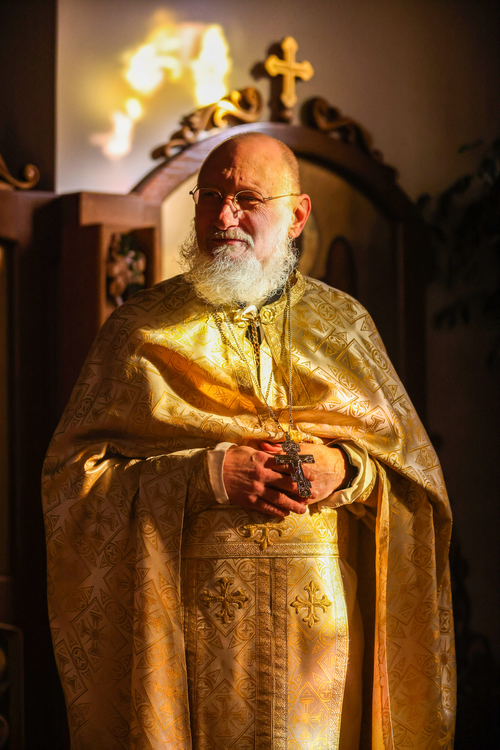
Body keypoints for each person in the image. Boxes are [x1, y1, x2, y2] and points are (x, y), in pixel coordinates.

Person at [42, 133, 456, 749]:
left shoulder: (345, 327)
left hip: (325, 651)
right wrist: (206, 475)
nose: (223, 216)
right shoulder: (139, 330)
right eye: (210, 196)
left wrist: (348, 470)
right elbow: (73, 484)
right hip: (190, 644)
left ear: (297, 215)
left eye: (248, 198)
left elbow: (416, 483)